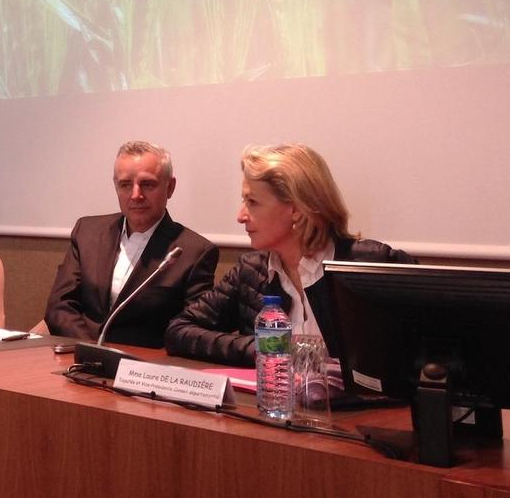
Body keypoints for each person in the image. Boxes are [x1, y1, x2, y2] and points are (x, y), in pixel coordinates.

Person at [164, 143, 415, 366]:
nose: (240, 216)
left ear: (295, 209)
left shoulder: (370, 263)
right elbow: (179, 331)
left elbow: (428, 353)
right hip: (276, 411)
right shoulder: (251, 271)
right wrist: (263, 349)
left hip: (364, 416)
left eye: (252, 202)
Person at [45, 140, 219, 347]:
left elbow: (193, 329)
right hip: (79, 354)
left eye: (147, 184)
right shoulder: (88, 232)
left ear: (170, 187)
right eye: (126, 185)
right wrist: (92, 350)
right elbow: (60, 305)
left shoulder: (194, 251)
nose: (136, 195)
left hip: (143, 368)